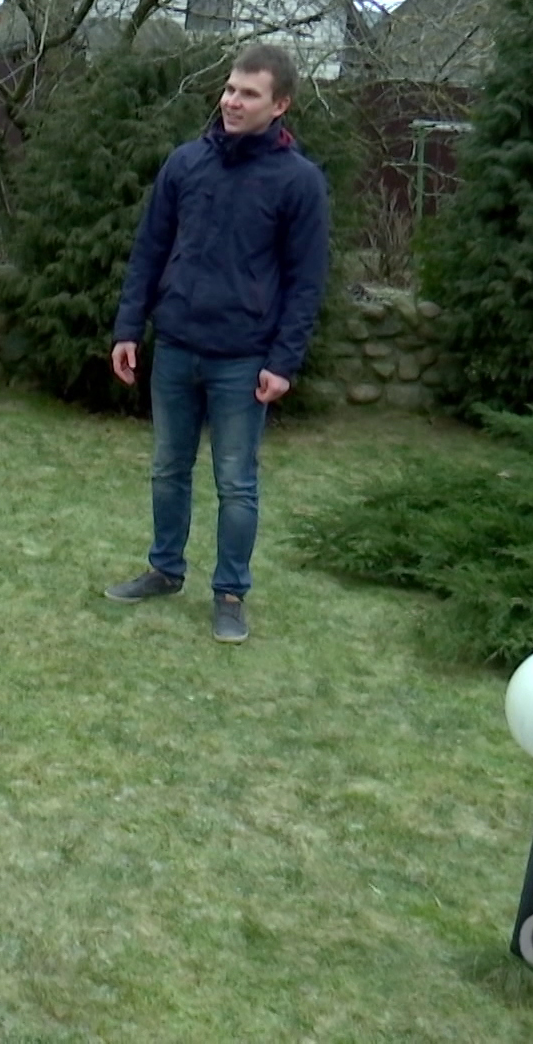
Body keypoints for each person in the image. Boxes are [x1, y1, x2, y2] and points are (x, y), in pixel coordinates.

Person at [102, 43, 331, 644]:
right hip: (176, 345)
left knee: (236, 482)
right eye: (230, 89)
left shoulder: (299, 182)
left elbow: (307, 283)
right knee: (167, 468)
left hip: (244, 359)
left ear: (279, 105)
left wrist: (283, 362)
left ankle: (230, 593)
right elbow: (149, 251)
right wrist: (130, 327)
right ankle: (163, 569)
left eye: (249, 93)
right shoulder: (185, 164)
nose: (232, 101)